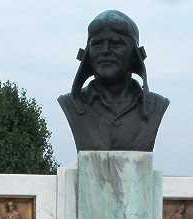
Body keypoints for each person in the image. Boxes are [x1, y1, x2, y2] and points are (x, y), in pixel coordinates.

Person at [58, 10, 169, 152]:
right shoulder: (70, 104)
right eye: (97, 43)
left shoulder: (156, 106)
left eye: (116, 43)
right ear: (87, 53)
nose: (105, 50)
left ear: (135, 54)